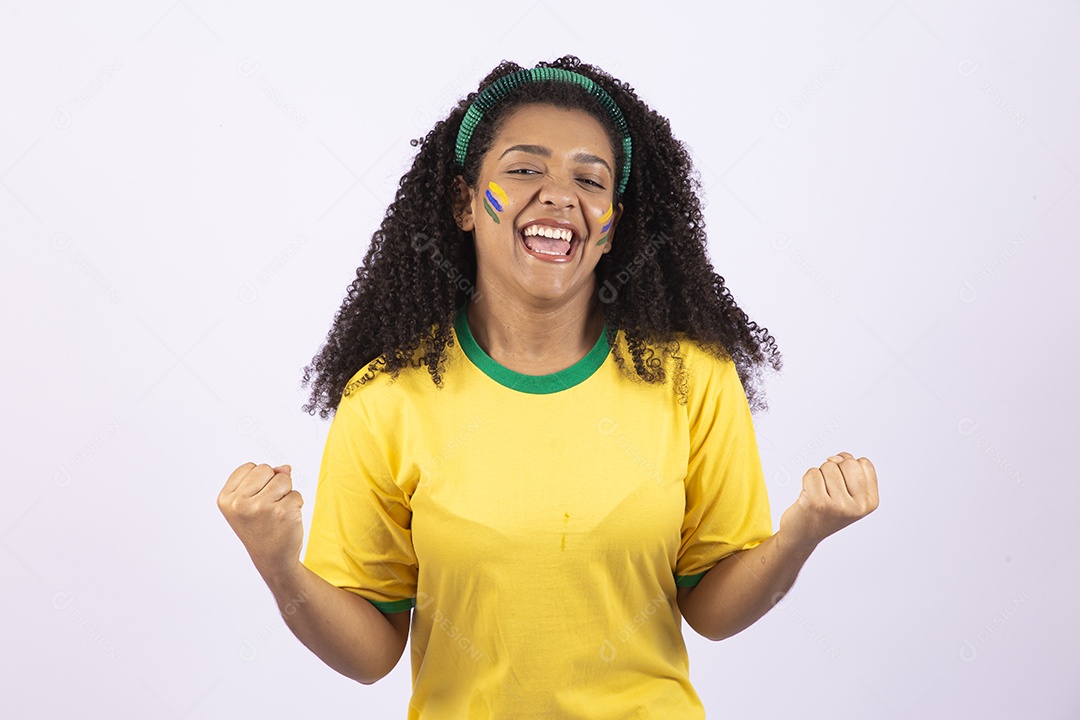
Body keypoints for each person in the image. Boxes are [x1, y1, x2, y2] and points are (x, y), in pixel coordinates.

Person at [217, 55, 879, 718]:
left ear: (613, 220)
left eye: (589, 179)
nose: (560, 195)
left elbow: (710, 607)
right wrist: (280, 567)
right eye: (525, 168)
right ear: (465, 201)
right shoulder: (386, 398)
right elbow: (371, 653)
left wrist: (801, 533)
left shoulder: (693, 379)